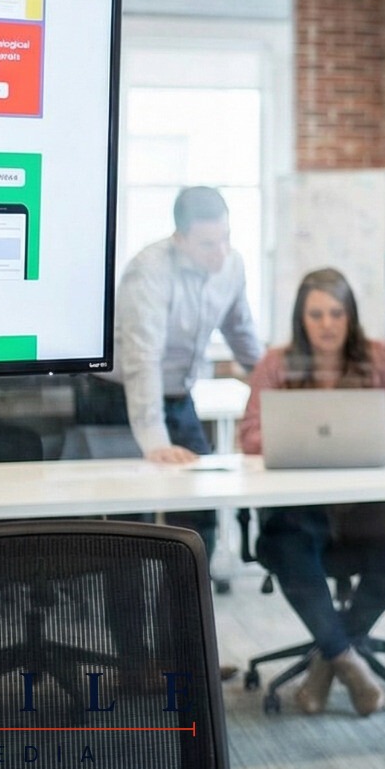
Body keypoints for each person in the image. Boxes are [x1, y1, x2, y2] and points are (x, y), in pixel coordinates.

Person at [237, 268, 385, 716]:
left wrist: (381, 441)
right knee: (285, 540)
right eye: (316, 314)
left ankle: (328, 658)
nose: (327, 324)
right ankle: (346, 659)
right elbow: (249, 436)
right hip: (301, 508)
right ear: (301, 318)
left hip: (369, 506)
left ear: (351, 316)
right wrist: (295, 441)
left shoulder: (381, 358)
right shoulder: (277, 363)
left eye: (336, 313)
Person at [88, 186, 265, 559]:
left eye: (225, 239)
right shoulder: (149, 270)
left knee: (200, 498)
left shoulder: (231, 265)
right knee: (129, 511)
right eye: (207, 244)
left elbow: (241, 331)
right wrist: (155, 442)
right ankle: (128, 604)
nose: (220, 253)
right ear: (179, 238)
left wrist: (271, 382)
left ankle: (188, 596)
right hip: (119, 398)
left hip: (179, 396)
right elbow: (142, 358)